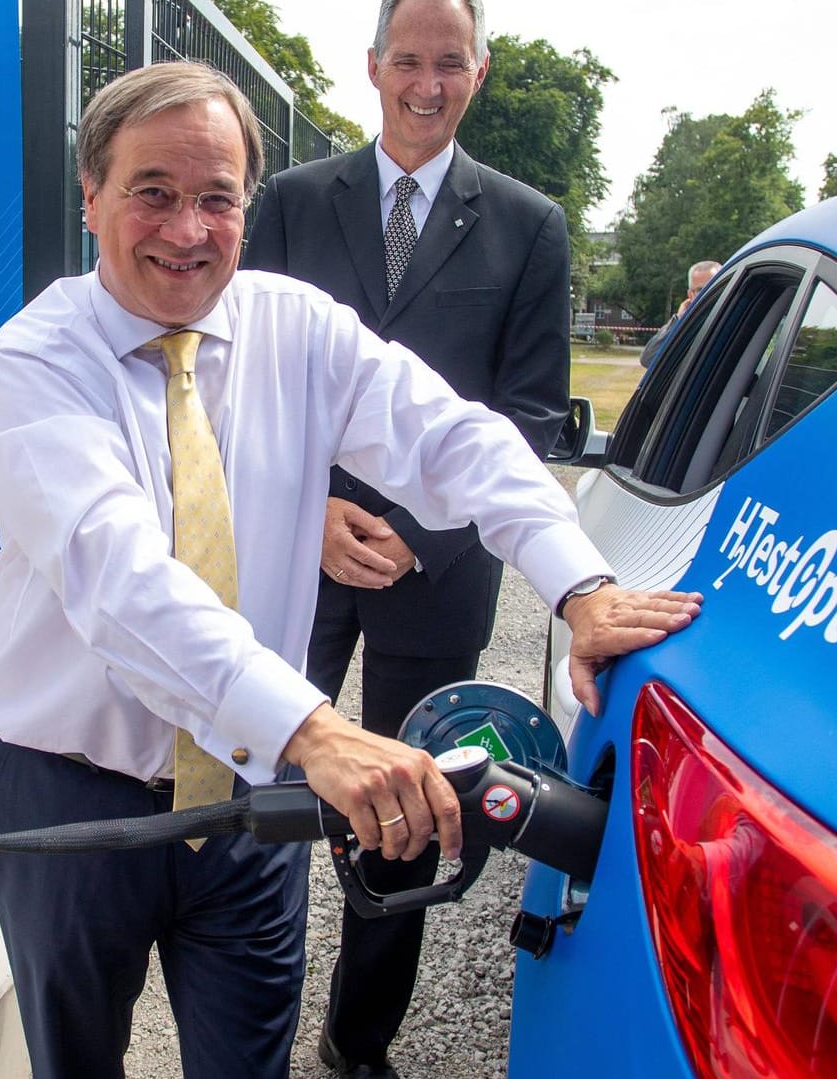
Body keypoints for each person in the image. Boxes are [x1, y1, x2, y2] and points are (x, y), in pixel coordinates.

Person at [0, 60, 700, 1079]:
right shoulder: (34, 362)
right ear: (91, 199)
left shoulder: (295, 327)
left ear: (247, 206)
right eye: (154, 195)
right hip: (75, 802)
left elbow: (456, 440)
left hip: (251, 801)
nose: (188, 229)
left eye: (217, 198)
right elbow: (124, 579)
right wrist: (319, 730)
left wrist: (580, 585)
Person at [241, 1, 568, 1070]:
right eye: (409, 62)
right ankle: (244, 1024)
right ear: (373, 66)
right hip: (300, 552)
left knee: (412, 812)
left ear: (481, 70)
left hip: (440, 569)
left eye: (450, 64)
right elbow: (242, 379)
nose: (427, 83)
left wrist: (416, 530)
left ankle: (356, 1037)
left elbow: (523, 417)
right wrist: (312, 511)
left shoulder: (530, 225)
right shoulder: (288, 203)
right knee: (268, 788)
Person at [639, 259, 722, 367]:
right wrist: (678, 320)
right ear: (690, 295)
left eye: (715, 286)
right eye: (701, 290)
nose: (709, 293)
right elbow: (648, 359)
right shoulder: (688, 327)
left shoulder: (741, 314)